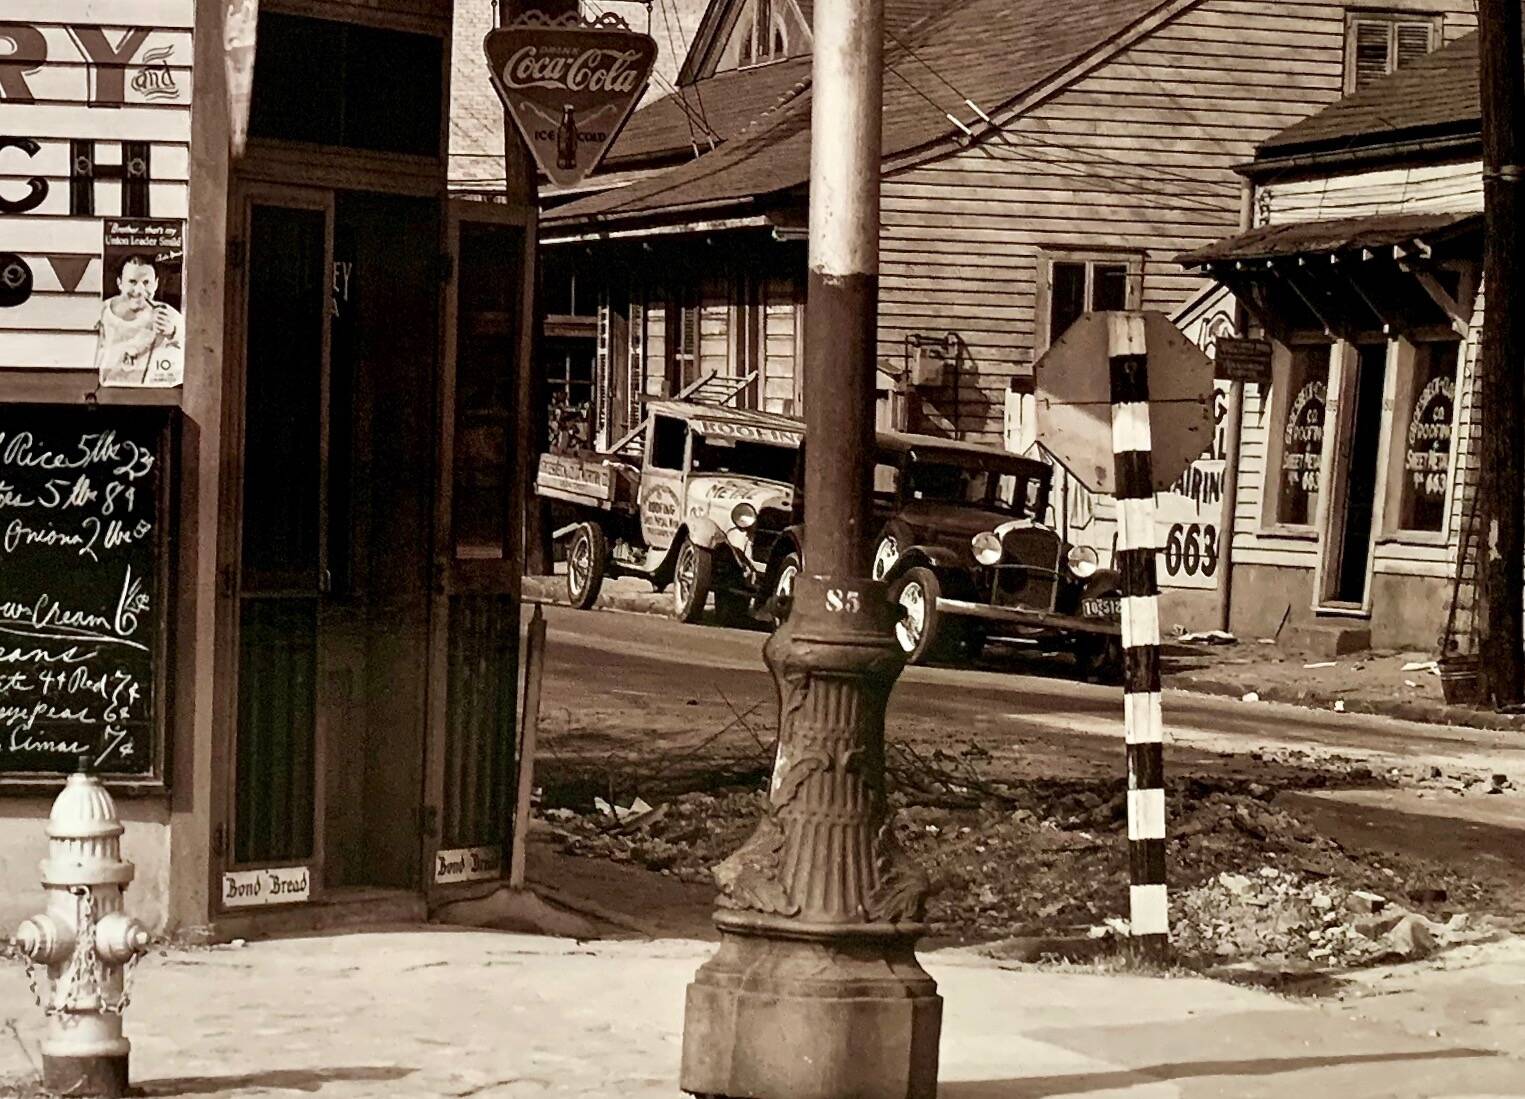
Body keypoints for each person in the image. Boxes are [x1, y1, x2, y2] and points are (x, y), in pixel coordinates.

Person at [95, 255, 182, 386]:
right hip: (105, 397)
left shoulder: (166, 313)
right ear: (119, 283)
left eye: (146, 283)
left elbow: (195, 340)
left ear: (156, 284)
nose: (139, 290)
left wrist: (174, 331)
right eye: (132, 282)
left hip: (149, 398)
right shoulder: (101, 313)